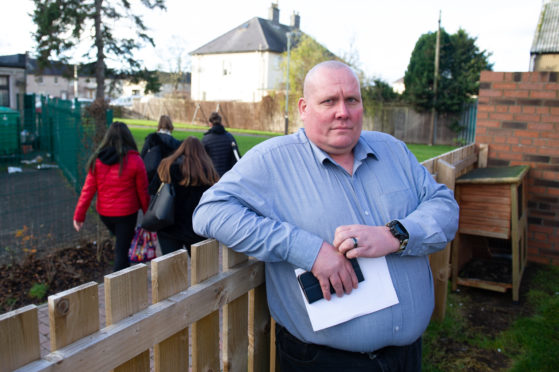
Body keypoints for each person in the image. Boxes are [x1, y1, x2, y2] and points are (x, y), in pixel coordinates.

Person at [193, 61, 459, 371]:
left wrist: (393, 236)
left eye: (352, 100)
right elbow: (209, 211)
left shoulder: (393, 152)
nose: (342, 111)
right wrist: (309, 250)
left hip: (407, 357)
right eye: (329, 101)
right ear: (304, 108)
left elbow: (444, 205)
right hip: (322, 361)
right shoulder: (272, 161)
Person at [73, 121, 150, 272]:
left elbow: (87, 190)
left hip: (105, 214)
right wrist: (148, 216)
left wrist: (79, 216)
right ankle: (119, 285)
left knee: (122, 245)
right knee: (121, 251)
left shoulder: (97, 161)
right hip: (126, 214)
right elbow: (143, 191)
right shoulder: (135, 161)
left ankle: (126, 274)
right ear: (129, 138)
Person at [149, 136, 219, 256]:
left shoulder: (167, 166)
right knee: (202, 269)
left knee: (171, 268)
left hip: (168, 225)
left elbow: (153, 189)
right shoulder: (207, 170)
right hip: (197, 227)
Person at [140, 115, 181, 186]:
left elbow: (142, 155)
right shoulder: (175, 142)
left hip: (151, 173)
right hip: (166, 176)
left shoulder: (151, 138)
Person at [201, 111, 240, 177]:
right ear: (221, 122)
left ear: (210, 124)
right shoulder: (230, 137)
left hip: (212, 176)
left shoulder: (205, 139)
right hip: (227, 176)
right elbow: (236, 157)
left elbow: (202, 161)